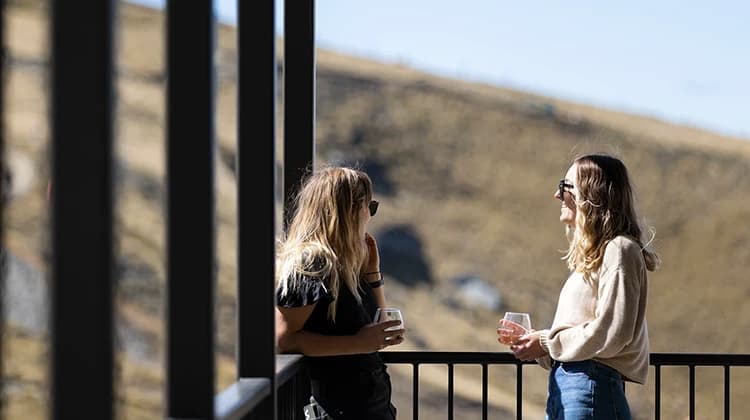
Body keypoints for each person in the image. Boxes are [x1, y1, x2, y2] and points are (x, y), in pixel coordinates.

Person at [502, 153, 660, 419]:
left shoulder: (620, 249)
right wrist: (540, 345)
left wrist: (545, 341)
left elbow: (613, 332)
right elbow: (594, 335)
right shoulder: (601, 255)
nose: (556, 195)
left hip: (589, 389)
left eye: (565, 187)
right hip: (572, 388)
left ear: (590, 194)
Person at [275, 165, 404, 420]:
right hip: (339, 410)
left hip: (372, 407)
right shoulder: (312, 263)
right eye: (370, 207)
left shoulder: (346, 267)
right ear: (350, 210)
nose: (370, 216)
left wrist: (373, 274)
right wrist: (359, 343)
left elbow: (380, 328)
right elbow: (283, 340)